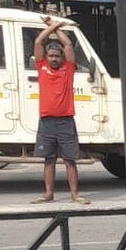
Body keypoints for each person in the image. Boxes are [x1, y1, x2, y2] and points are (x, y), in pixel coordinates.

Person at [31, 17, 89, 205]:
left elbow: (68, 43)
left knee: (70, 160)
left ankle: (75, 195)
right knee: (49, 160)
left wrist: (54, 28)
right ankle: (48, 194)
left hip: (65, 121)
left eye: (57, 56)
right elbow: (39, 42)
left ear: (62, 58)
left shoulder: (68, 69)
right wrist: (53, 26)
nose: (54, 59)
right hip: (47, 121)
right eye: (51, 56)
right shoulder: (41, 68)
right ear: (46, 58)